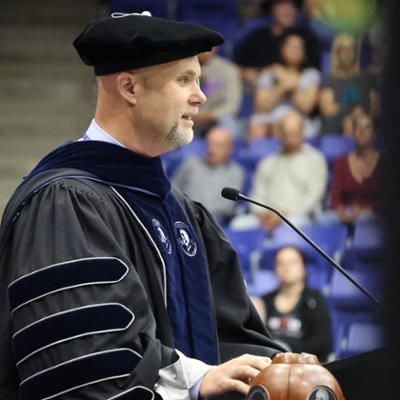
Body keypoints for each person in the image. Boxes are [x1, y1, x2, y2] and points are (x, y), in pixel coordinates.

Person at [0, 13, 287, 400]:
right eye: (184, 79)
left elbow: (230, 338)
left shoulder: (185, 214)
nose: (200, 96)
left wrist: (281, 369)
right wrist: (197, 381)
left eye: (198, 80)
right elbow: (86, 364)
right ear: (129, 88)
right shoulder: (64, 204)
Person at [247, 111, 328, 232]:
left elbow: (313, 197)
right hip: (266, 217)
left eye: (294, 133)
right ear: (280, 134)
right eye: (286, 133)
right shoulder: (267, 162)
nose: (290, 137)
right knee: (239, 225)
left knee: (292, 225)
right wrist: (263, 214)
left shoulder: (316, 160)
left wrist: (283, 214)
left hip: (299, 216)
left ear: (302, 132)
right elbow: (258, 194)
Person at [252, 246, 333, 363]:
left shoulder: (315, 301)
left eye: (292, 263)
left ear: (303, 267)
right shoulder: (265, 301)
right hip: (270, 365)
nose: (286, 268)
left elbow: (322, 342)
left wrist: (290, 356)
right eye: (281, 263)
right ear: (275, 269)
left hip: (303, 367)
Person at [248, 30, 321, 139]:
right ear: (281, 49)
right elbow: (260, 108)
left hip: (298, 121)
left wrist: (291, 83)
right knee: (257, 128)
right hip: (269, 119)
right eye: (290, 46)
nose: (293, 50)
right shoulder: (269, 73)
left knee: (289, 123)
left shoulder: (311, 75)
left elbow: (305, 107)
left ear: (304, 53)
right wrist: (282, 86)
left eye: (298, 47)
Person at [234, 0, 321, 88]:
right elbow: (236, 67)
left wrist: (279, 73)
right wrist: (245, 72)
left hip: (292, 89)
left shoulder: (306, 36)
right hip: (253, 87)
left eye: (291, 5)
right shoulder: (257, 36)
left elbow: (313, 74)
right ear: (271, 9)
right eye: (281, 5)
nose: (287, 10)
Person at [172, 126, 245, 226]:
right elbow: (173, 190)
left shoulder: (235, 172)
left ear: (229, 148)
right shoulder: (190, 164)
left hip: (213, 222)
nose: (212, 150)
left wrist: (200, 215)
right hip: (182, 215)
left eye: (218, 145)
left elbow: (227, 206)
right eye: (210, 144)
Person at [318, 33, 381, 136]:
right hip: (336, 131)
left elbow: (375, 110)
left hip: (366, 130)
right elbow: (328, 111)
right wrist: (353, 114)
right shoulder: (328, 80)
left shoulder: (367, 78)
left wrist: (360, 119)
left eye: (351, 49)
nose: (348, 54)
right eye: (344, 50)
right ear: (336, 53)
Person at [329, 113, 385, 225]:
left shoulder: (385, 163)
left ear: (374, 134)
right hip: (346, 214)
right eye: (358, 128)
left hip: (375, 216)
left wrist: (366, 210)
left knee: (366, 219)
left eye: (367, 127)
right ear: (353, 133)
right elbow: (335, 200)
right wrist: (342, 212)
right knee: (324, 220)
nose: (362, 131)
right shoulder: (341, 162)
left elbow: (389, 200)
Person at [192, 47, 243, 138]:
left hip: (217, 116)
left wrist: (210, 114)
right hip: (191, 115)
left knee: (230, 125)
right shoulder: (183, 68)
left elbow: (232, 105)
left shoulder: (228, 69)